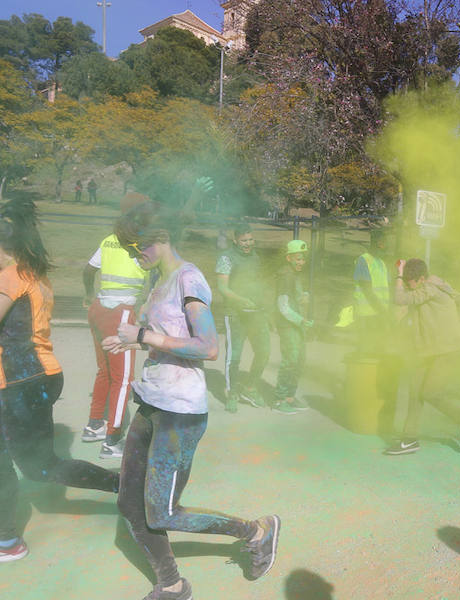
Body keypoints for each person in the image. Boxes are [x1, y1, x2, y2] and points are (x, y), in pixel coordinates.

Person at [104, 200, 280, 599]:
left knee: (165, 511)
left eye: (140, 247)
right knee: (130, 504)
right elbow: (159, 336)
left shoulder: (189, 279)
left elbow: (208, 347)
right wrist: (128, 339)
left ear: (161, 239)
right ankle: (172, 585)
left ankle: (256, 530)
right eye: (131, 248)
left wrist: (144, 337)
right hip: (151, 402)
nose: (137, 254)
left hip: (180, 412)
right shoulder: (158, 283)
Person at [0, 197, 119, 563]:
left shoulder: (10, 275)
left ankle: (6, 540)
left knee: (7, 461)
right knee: (42, 466)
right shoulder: (29, 271)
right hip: (38, 378)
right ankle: (127, 484)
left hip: (18, 385)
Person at [384, 258, 460, 455]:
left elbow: (400, 299)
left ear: (420, 279)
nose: (408, 285)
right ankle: (409, 439)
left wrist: (399, 275)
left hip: (448, 350)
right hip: (428, 350)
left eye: (410, 281)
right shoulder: (426, 289)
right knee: (415, 391)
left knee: (430, 393)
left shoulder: (430, 289)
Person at [81, 192, 151, 459]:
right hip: (121, 312)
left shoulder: (110, 240)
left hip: (99, 308)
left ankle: (95, 424)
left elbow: (88, 270)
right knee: (123, 380)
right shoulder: (140, 244)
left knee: (104, 371)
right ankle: (112, 440)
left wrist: (89, 294)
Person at [216, 223, 270, 412]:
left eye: (251, 239)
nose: (248, 243)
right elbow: (222, 288)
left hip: (256, 313)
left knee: (264, 351)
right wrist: (241, 300)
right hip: (235, 314)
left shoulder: (255, 258)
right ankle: (232, 393)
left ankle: (250, 387)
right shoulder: (226, 258)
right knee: (234, 356)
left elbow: (256, 283)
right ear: (235, 240)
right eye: (244, 240)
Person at [272, 239, 313, 415]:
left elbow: (293, 299)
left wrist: (303, 296)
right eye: (298, 258)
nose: (301, 262)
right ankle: (279, 399)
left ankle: (289, 396)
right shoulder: (285, 276)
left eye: (303, 259)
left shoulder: (294, 274)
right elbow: (283, 306)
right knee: (290, 360)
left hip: (296, 324)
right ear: (289, 258)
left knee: (299, 360)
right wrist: (301, 320)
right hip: (288, 325)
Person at [353, 228, 391, 355]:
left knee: (378, 350)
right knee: (365, 351)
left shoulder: (381, 263)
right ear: (374, 242)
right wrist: (383, 310)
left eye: (385, 243)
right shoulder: (363, 260)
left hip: (379, 314)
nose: (384, 246)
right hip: (366, 315)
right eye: (382, 243)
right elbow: (367, 290)